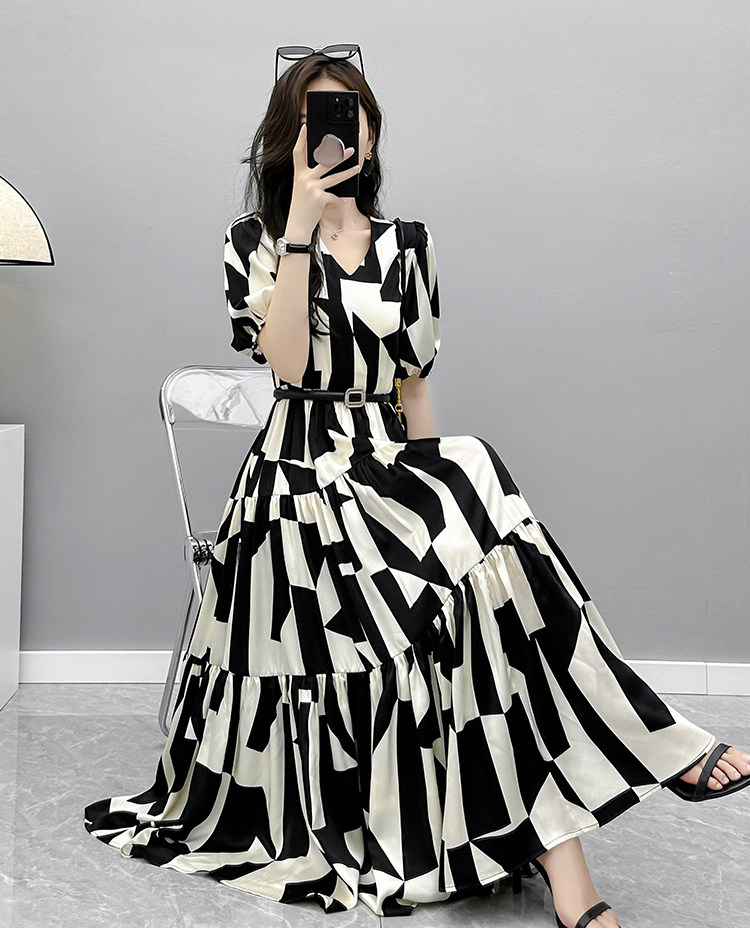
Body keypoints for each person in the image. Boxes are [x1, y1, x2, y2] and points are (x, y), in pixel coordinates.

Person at [82, 48, 750, 926]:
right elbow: (289, 365)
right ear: (290, 138)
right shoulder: (253, 243)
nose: (339, 130)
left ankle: (569, 836)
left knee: (481, 560)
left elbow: (413, 391)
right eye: (318, 116)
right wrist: (300, 228)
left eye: (352, 113)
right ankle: (621, 788)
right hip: (297, 496)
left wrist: (439, 515)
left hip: (390, 476)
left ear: (371, 131)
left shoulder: (410, 246)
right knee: (484, 519)